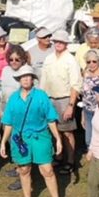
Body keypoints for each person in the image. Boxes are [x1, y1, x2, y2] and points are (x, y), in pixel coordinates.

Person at [0, 65, 64, 197]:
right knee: (24, 169)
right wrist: (3, 142)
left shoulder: (41, 96)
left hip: (40, 137)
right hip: (20, 139)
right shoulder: (13, 98)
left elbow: (50, 119)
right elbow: (8, 122)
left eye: (29, 77)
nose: (26, 79)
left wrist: (58, 139)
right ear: (19, 80)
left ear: (33, 79)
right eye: (23, 77)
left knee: (47, 170)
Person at [39, 30, 82, 177]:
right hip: (49, 98)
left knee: (67, 131)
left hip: (64, 98)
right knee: (53, 129)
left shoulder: (71, 60)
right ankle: (58, 156)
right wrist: (41, 99)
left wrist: (71, 105)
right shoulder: (49, 58)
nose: (58, 44)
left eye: (61, 42)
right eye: (56, 41)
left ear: (66, 44)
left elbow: (75, 84)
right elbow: (43, 80)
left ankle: (70, 161)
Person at [0, 45, 28, 191]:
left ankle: (23, 176)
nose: (14, 62)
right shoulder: (5, 71)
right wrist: (1, 109)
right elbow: (2, 91)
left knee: (21, 144)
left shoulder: (26, 72)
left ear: (23, 59)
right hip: (6, 112)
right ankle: (18, 168)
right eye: (11, 59)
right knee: (12, 143)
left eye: (17, 59)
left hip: (21, 115)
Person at [80, 48, 99, 150]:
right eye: (88, 62)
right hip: (88, 110)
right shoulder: (85, 73)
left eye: (94, 61)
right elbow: (84, 95)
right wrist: (83, 115)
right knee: (88, 140)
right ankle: (93, 159)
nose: (91, 64)